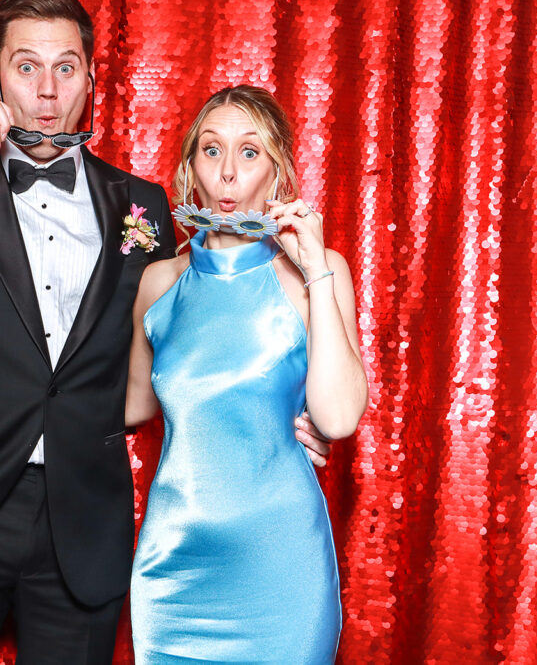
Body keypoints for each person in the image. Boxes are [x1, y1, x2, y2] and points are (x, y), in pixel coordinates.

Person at [0, 0, 332, 661]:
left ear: (90, 76)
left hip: (82, 526)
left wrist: (270, 415)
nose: (47, 93)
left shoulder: (141, 205)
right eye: (27, 67)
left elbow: (193, 333)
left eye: (66, 68)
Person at [125, 85, 368, 663]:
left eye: (249, 152)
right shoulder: (159, 283)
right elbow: (129, 406)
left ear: (277, 169)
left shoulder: (320, 270)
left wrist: (314, 271)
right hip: (174, 572)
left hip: (282, 566)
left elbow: (336, 416)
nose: (228, 172)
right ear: (191, 167)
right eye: (212, 150)